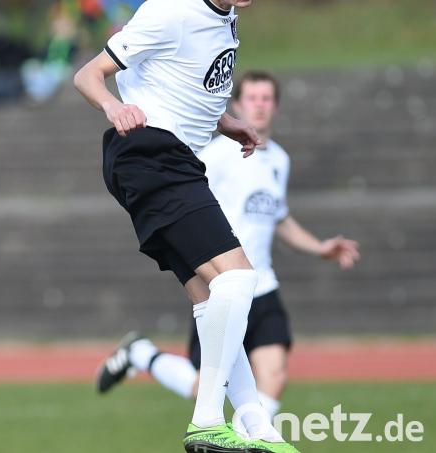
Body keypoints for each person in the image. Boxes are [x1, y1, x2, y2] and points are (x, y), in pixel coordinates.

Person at [73, 0, 299, 451]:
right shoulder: (170, 10)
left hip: (173, 159)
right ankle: (207, 421)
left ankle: (258, 429)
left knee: (212, 297)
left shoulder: (226, 16)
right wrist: (113, 108)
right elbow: (88, 74)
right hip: (151, 154)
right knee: (238, 278)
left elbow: (182, 87)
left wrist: (228, 123)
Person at [95, 71, 361, 434]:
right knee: (205, 386)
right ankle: (143, 354)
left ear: (276, 107)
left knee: (274, 376)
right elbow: (186, 203)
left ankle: (250, 437)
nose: (259, 105)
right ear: (236, 103)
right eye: (252, 98)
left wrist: (320, 247)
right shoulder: (215, 153)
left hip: (262, 287)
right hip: (223, 284)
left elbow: (278, 216)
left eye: (267, 99)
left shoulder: (279, 160)